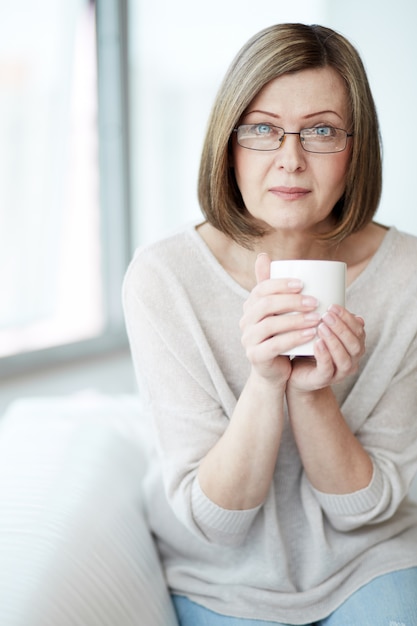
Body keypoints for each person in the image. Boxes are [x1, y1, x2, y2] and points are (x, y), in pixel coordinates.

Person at [123, 23, 417, 626]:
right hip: (222, 578)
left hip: (370, 559)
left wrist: (313, 394)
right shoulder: (164, 278)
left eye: (321, 130)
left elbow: (368, 510)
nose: (290, 159)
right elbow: (217, 521)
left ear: (355, 149)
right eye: (261, 128)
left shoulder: (408, 275)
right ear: (227, 143)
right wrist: (264, 382)